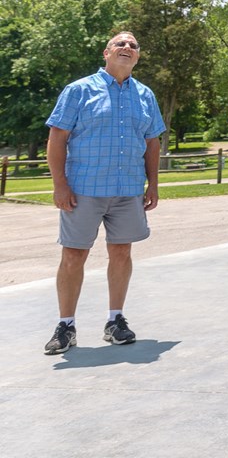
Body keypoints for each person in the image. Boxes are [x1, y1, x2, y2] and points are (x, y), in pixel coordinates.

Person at [43, 31, 165, 355]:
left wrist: (153, 184)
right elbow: (57, 138)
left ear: (137, 56)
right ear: (106, 52)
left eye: (133, 45)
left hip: (127, 190)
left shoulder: (145, 95)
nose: (127, 48)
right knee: (73, 255)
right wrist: (59, 185)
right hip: (83, 189)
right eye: (120, 44)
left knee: (122, 253)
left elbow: (152, 142)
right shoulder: (79, 90)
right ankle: (65, 325)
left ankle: (115, 320)